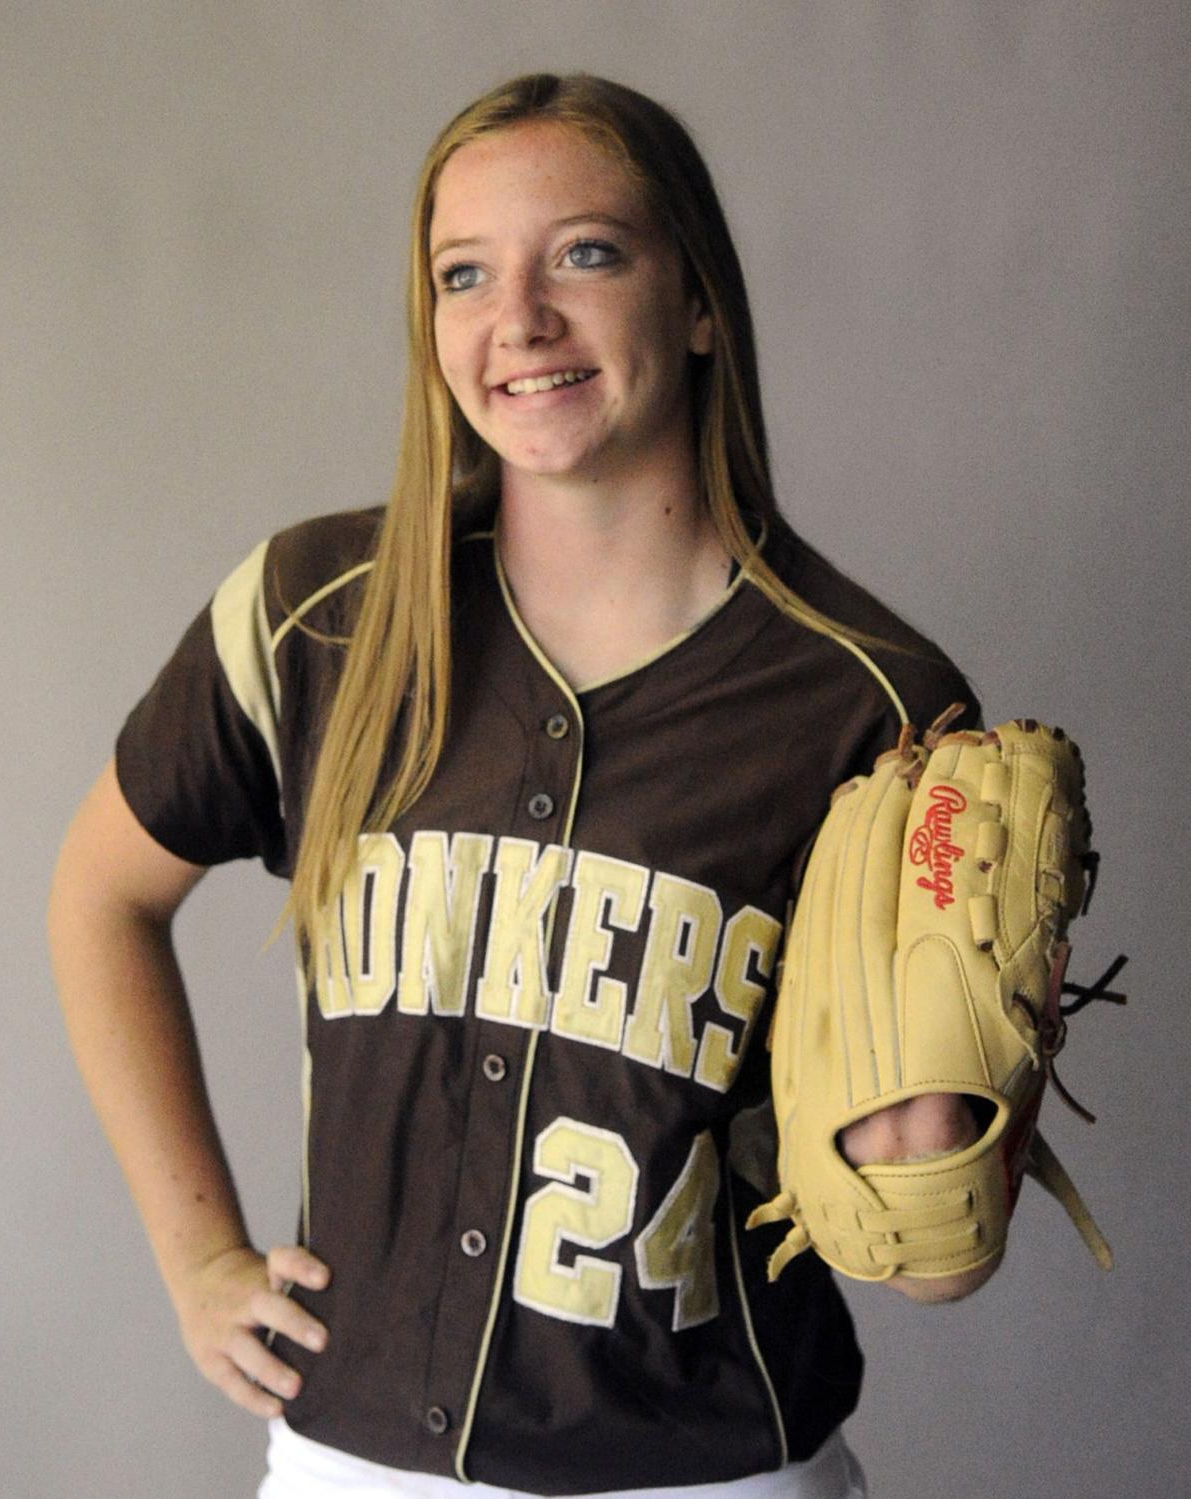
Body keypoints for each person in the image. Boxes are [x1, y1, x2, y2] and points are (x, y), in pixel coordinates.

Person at [50, 72, 988, 1499]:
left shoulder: (874, 706)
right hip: (354, 1462)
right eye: (464, 274)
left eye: (588, 255)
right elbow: (99, 897)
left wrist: (954, 1139)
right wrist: (199, 1257)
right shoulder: (323, 616)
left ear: (698, 301)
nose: (521, 321)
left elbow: (930, 1252)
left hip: (712, 1472)